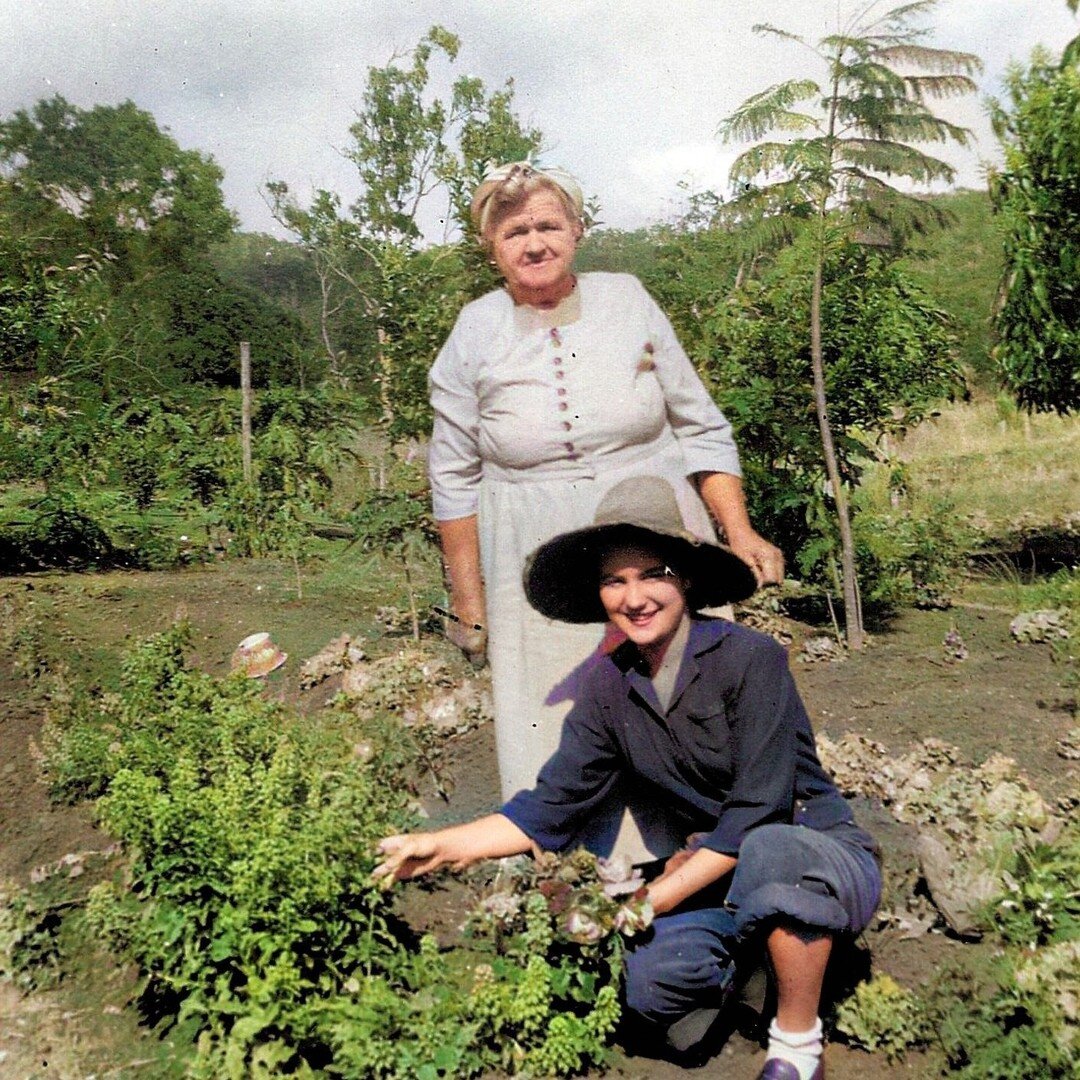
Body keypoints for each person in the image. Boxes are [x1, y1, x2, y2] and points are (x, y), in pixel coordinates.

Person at [376, 475, 882, 1080]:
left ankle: (796, 1047)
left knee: (772, 851)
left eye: (652, 574)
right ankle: (759, 973)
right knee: (648, 985)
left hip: (810, 852)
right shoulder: (608, 685)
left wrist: (647, 902)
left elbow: (759, 811)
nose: (634, 597)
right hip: (717, 875)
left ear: (686, 580)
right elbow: (547, 808)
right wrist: (439, 846)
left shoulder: (750, 660)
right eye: (615, 580)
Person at [428, 160, 784, 857]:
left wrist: (737, 531)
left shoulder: (628, 300)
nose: (533, 243)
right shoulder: (473, 332)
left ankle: (710, 862)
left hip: (652, 528)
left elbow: (701, 425)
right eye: (514, 232)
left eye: (547, 225)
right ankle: (570, 890)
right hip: (533, 546)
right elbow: (452, 478)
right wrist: (469, 603)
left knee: (681, 697)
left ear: (578, 231)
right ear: (490, 248)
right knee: (554, 719)